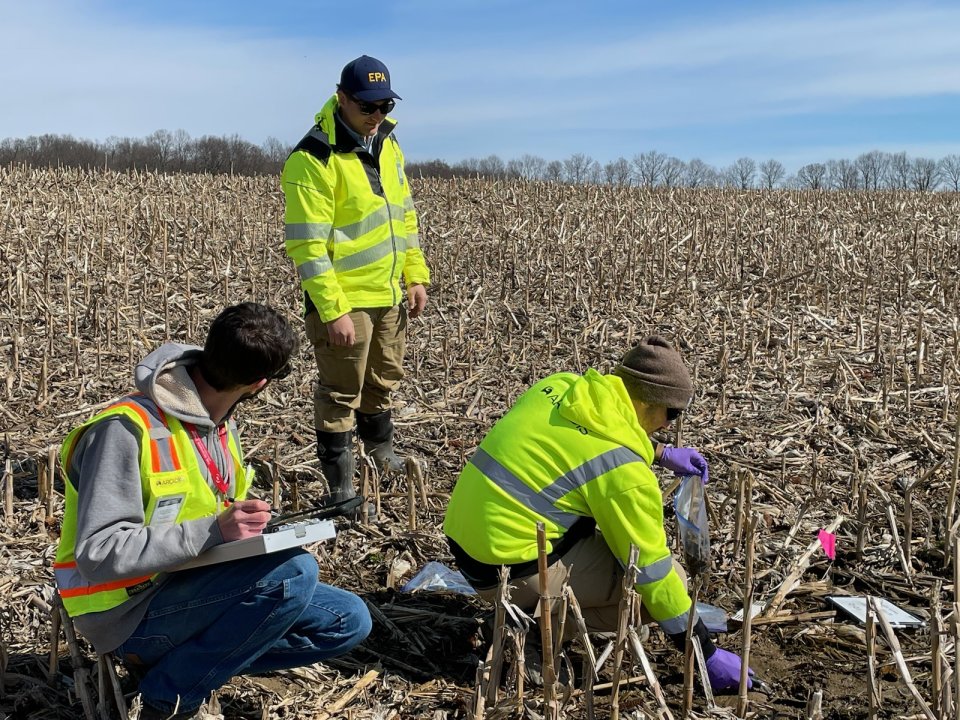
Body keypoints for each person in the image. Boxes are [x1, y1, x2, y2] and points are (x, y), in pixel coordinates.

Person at [54, 303, 372, 720]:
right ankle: (167, 699)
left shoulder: (218, 422)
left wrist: (253, 528)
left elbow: (212, 509)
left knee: (348, 620)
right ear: (259, 384)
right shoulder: (123, 431)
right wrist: (213, 531)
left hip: (191, 580)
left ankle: (180, 667)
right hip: (125, 613)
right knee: (295, 574)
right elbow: (99, 553)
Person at [443, 335, 752, 692]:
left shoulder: (559, 386)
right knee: (668, 584)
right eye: (672, 413)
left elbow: (589, 432)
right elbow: (652, 573)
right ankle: (526, 629)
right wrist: (704, 653)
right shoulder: (623, 472)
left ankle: (523, 613)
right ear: (652, 404)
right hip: (510, 570)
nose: (668, 424)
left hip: (466, 543)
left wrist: (661, 453)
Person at [282, 55, 431, 505]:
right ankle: (342, 488)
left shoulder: (388, 145)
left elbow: (403, 216)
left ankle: (379, 457)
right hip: (345, 302)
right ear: (341, 97)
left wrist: (415, 275)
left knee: (383, 380)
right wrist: (333, 309)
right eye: (367, 107)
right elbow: (307, 247)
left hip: (388, 295)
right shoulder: (313, 158)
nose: (376, 116)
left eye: (384, 105)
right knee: (340, 391)